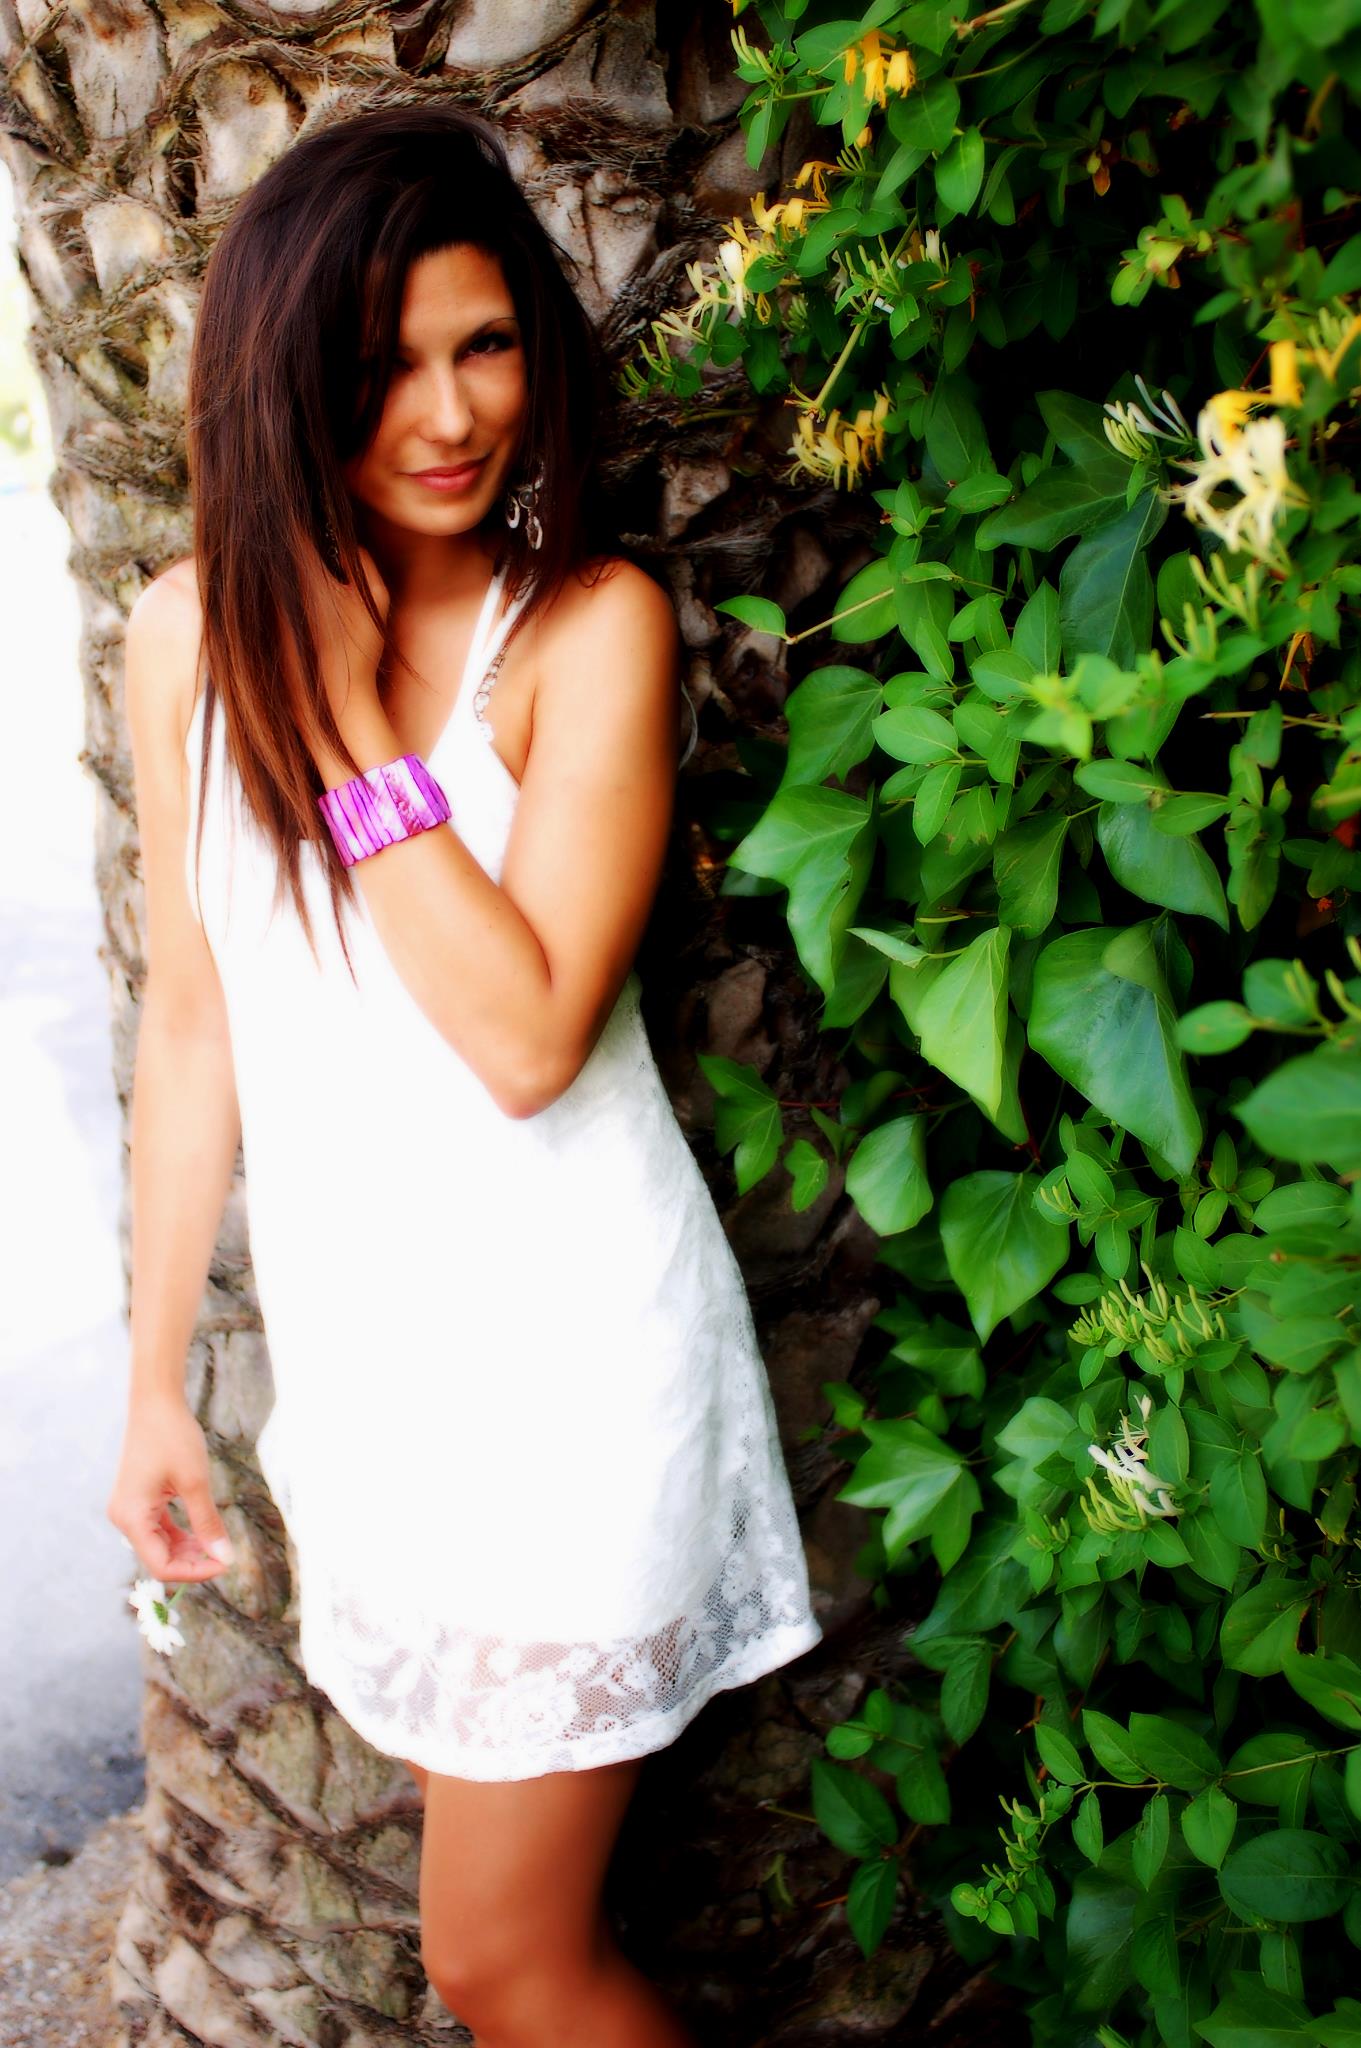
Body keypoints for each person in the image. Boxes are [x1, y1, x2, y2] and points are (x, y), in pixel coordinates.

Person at [105, 101, 822, 2048]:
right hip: (381, 1388)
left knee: (503, 1959)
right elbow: (194, 1018)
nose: (448, 413)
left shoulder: (582, 630)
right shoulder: (178, 638)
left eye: (485, 343)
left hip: (576, 1378)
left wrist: (347, 723)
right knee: (492, 1951)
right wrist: (157, 1382)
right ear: (285, 383)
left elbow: (523, 1039)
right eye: (385, 364)